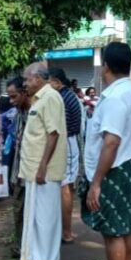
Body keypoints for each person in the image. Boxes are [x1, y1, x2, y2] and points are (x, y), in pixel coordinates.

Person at [81, 42, 131, 260]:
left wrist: (96, 182)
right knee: (127, 227)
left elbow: (111, 142)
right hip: (129, 167)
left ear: (105, 66)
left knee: (113, 232)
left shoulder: (114, 98)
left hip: (113, 170)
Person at [18, 62, 67, 260]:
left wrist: (43, 166)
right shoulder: (40, 99)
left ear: (38, 78)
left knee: (46, 219)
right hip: (34, 170)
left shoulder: (51, 98)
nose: (25, 84)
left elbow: (53, 134)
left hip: (43, 172)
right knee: (37, 219)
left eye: (27, 79)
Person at [48, 67, 83, 244]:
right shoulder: (68, 95)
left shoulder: (61, 98)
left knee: (65, 187)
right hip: (68, 142)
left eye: (49, 83)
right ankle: (65, 230)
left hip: (66, 143)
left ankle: (67, 231)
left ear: (57, 82)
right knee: (66, 187)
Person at [6, 77, 31, 256]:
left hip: (31, 170)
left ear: (24, 93)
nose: (11, 101)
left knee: (28, 211)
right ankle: (20, 246)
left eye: (14, 96)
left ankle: (27, 249)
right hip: (19, 169)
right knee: (18, 208)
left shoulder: (34, 112)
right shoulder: (20, 112)